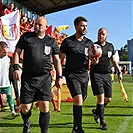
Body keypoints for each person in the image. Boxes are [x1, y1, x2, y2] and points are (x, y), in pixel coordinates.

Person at [12, 16, 63, 133]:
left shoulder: (51, 41)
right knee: (25, 108)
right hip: (28, 78)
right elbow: (16, 52)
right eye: (35, 24)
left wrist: (59, 77)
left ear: (46, 27)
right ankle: (26, 122)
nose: (37, 26)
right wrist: (15, 68)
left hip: (45, 78)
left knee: (45, 106)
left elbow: (56, 60)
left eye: (40, 24)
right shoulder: (26, 37)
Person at [60, 16, 93, 133]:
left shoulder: (89, 43)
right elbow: (60, 59)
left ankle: (77, 127)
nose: (84, 28)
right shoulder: (68, 42)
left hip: (84, 75)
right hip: (71, 75)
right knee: (78, 100)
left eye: (86, 26)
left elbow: (93, 60)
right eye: (82, 26)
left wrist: (95, 58)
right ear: (76, 27)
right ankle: (77, 128)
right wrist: (59, 75)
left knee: (82, 99)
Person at [89, 28, 122, 130]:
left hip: (107, 74)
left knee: (108, 99)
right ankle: (102, 122)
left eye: (103, 34)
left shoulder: (110, 46)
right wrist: (95, 61)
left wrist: (119, 72)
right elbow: (93, 62)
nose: (101, 36)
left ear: (106, 35)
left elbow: (114, 61)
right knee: (101, 98)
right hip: (96, 74)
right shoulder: (94, 47)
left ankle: (96, 112)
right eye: (99, 34)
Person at [0, 41, 20, 118]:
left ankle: (13, 112)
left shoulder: (8, 59)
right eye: (4, 52)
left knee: (9, 97)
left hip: (5, 82)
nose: (6, 54)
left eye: (7, 52)